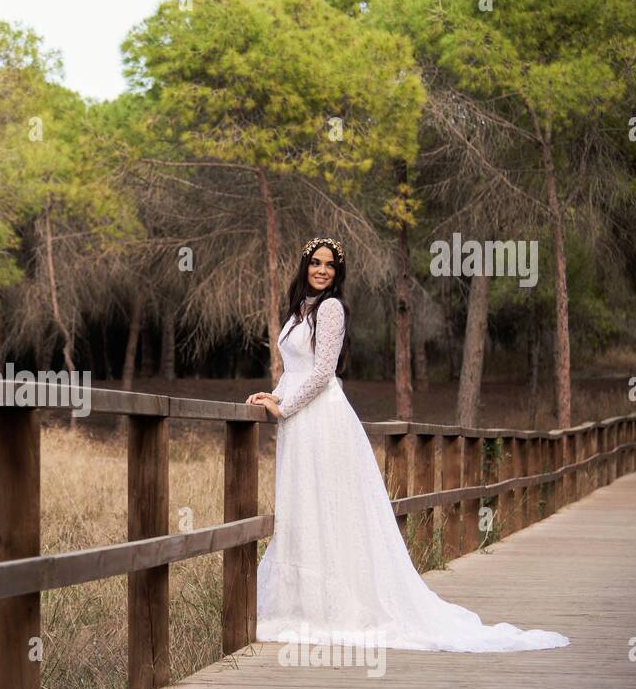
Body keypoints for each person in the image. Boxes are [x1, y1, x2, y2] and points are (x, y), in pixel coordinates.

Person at [244, 236, 569, 652]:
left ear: (338, 274)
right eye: (316, 263)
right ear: (305, 265)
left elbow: (323, 371)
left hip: (321, 419)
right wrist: (272, 395)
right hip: (297, 417)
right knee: (303, 505)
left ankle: (338, 605)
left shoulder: (330, 309)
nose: (322, 270)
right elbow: (296, 369)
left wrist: (284, 407)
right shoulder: (298, 310)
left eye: (330, 266)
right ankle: (302, 601)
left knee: (329, 504)